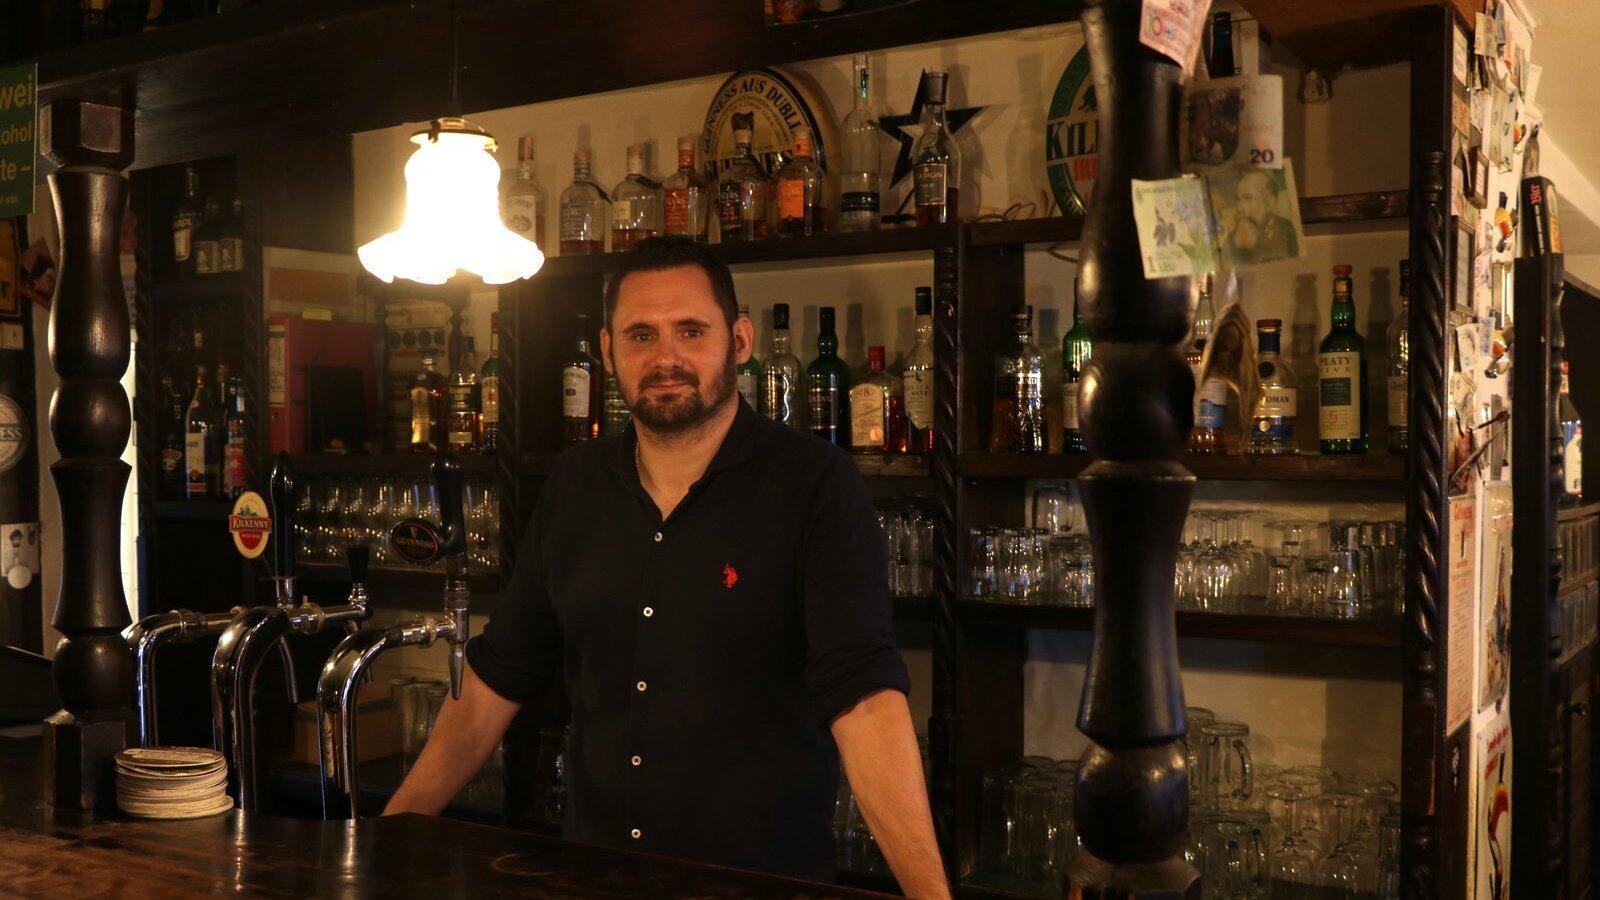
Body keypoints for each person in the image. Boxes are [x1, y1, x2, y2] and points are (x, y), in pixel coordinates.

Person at [385, 236, 949, 898]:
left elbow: (864, 698)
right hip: (595, 878)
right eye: (641, 335)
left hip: (755, 885)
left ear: (740, 341)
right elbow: (498, 674)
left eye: (691, 331)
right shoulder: (575, 483)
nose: (666, 358)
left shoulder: (814, 484)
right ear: (607, 352)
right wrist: (388, 837)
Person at [1222, 169, 1299, 265]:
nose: (1239, 208)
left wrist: (1258, 242)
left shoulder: (1289, 228)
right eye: (1238, 200)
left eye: (1247, 198)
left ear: (1268, 203)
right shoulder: (1232, 242)